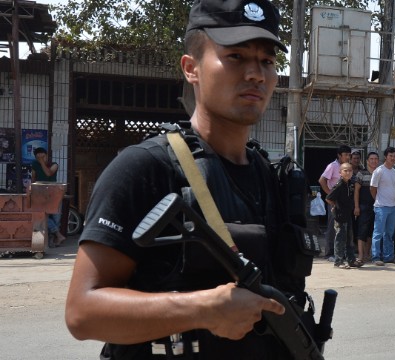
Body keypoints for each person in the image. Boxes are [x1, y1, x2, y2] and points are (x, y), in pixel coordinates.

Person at [65, 0, 304, 357]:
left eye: (267, 61)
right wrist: (202, 310)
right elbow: (83, 313)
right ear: (191, 68)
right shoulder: (145, 168)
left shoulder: (273, 178)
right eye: (236, 57)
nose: (256, 73)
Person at [326, 162, 362, 268]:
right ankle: (338, 261)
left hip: (348, 215)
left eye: (350, 170)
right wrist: (335, 206)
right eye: (345, 170)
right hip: (340, 216)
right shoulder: (339, 184)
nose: (348, 172)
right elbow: (328, 198)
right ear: (340, 172)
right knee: (340, 238)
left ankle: (351, 260)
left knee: (349, 239)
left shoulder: (351, 183)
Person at [319, 145, 352, 261]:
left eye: (349, 154)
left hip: (344, 203)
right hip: (334, 202)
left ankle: (340, 253)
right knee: (332, 227)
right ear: (339, 155)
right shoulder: (332, 166)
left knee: (343, 229)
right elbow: (322, 180)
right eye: (346, 155)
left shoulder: (347, 167)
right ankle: (329, 253)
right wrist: (330, 195)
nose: (348, 157)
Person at [31, 147, 65, 247]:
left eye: (43, 156)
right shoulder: (34, 165)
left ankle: (53, 239)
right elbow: (33, 178)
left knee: (56, 216)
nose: (41, 158)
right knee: (43, 215)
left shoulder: (54, 164)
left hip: (54, 193)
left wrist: (42, 163)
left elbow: (49, 173)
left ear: (47, 156)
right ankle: (58, 235)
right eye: (39, 157)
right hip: (40, 193)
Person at [370, 147, 395, 266]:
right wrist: (377, 199)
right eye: (390, 156)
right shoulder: (379, 171)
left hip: (392, 206)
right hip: (381, 206)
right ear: (386, 157)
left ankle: (388, 257)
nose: (393, 158)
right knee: (378, 233)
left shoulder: (393, 171)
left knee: (389, 233)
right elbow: (372, 188)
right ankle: (376, 257)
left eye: (394, 156)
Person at [354, 151, 378, 263]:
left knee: (371, 231)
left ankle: (367, 254)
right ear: (367, 161)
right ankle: (360, 256)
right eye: (371, 159)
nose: (373, 161)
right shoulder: (361, 174)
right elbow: (356, 191)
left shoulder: (380, 173)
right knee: (362, 231)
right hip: (363, 206)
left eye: (375, 159)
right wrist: (356, 206)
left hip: (377, 207)